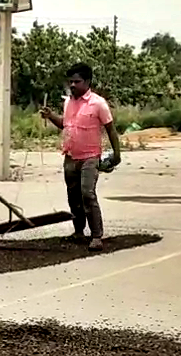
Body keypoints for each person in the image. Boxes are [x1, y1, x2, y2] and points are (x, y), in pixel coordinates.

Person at [40, 62, 122, 251]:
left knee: (87, 194)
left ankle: (96, 235)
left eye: (77, 81)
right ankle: (78, 231)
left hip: (90, 157)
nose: (73, 85)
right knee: (73, 196)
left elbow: (111, 129)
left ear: (87, 82)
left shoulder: (98, 103)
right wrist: (51, 116)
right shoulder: (68, 102)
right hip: (70, 156)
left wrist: (116, 154)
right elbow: (65, 125)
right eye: (71, 82)